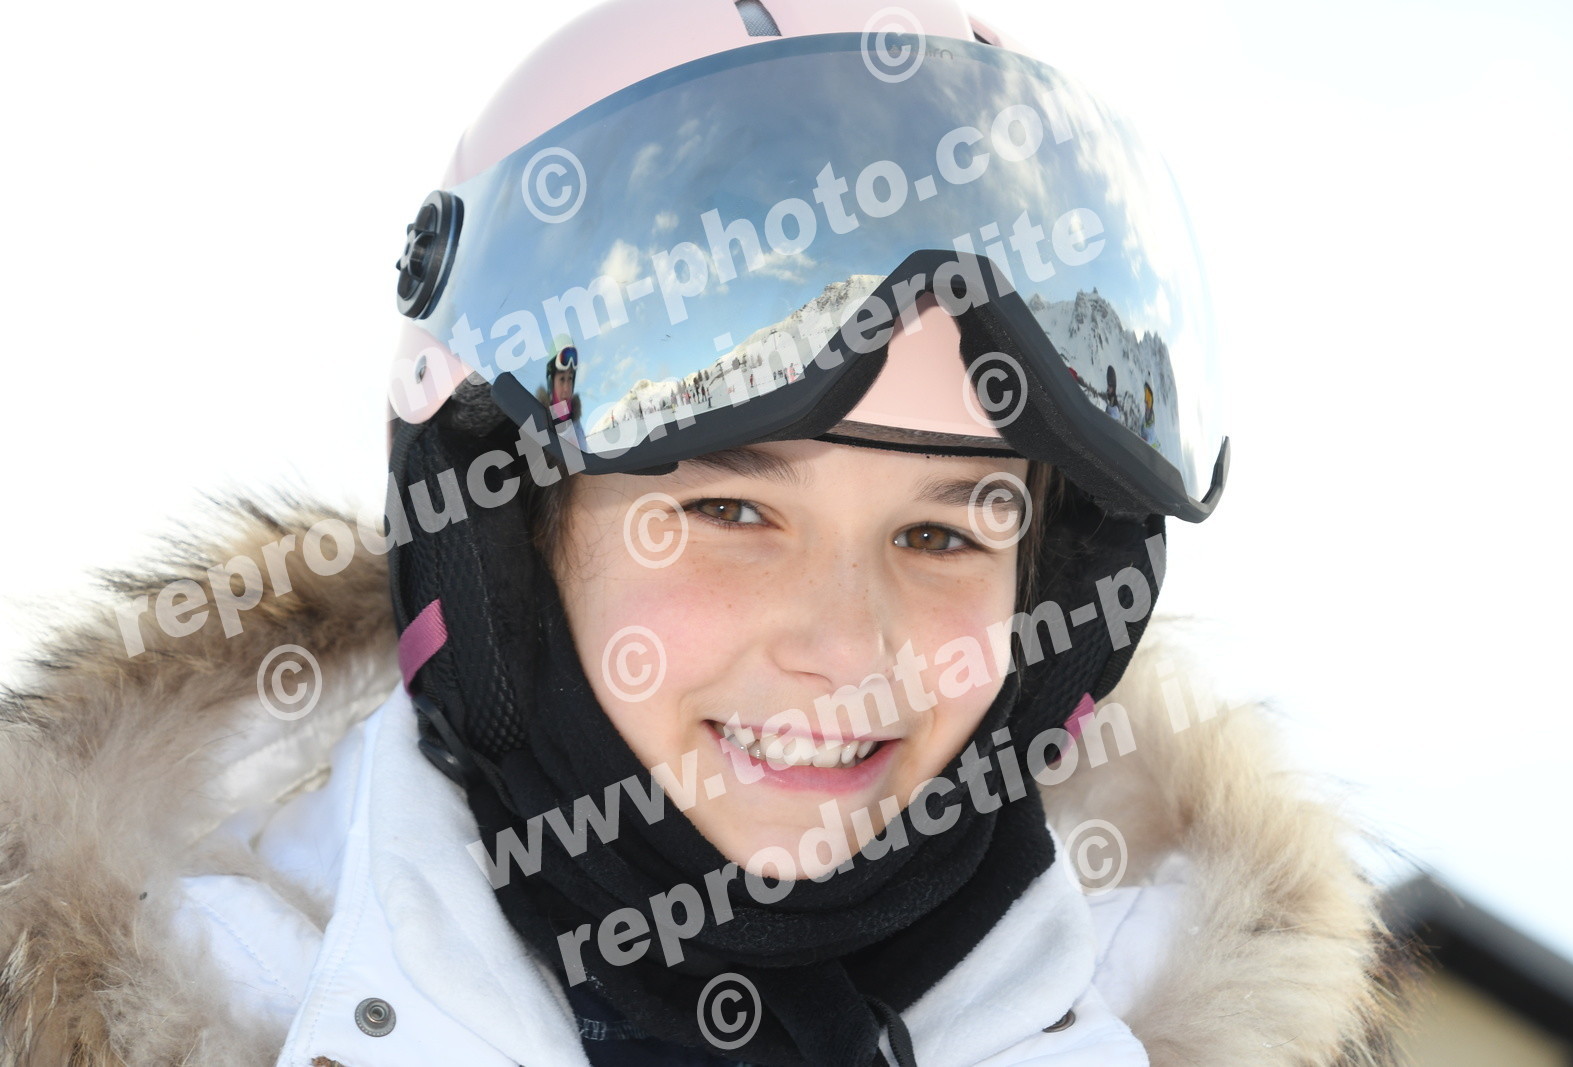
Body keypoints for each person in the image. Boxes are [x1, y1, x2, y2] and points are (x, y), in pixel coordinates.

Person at [0, 1, 1410, 1065]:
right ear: (505, 550)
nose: (848, 651)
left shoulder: (1171, 1016)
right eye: (733, 512)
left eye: (941, 537)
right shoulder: (136, 1007)